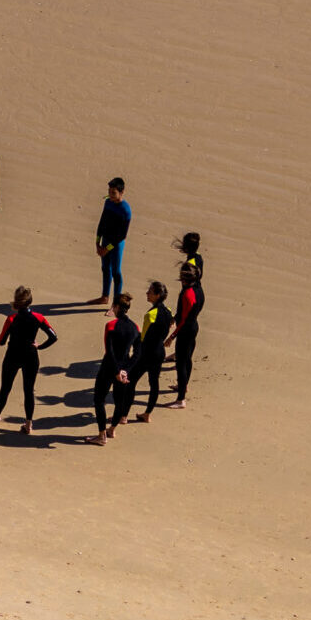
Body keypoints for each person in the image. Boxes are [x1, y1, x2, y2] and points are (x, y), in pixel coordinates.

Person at [0, 285, 58, 432]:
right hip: (30, 356)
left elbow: (1, 341)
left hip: (13, 356)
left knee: (5, 388)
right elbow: (53, 337)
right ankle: (28, 424)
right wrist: (39, 346)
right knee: (29, 391)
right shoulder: (39, 318)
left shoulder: (11, 319)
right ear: (30, 302)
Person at [91, 293, 139, 445]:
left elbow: (109, 351)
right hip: (125, 367)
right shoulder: (135, 328)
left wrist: (117, 371)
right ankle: (112, 429)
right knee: (119, 401)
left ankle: (101, 435)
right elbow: (138, 352)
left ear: (117, 307)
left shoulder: (111, 326)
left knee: (99, 399)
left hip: (109, 367)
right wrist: (126, 369)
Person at [168, 233, 204, 408]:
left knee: (181, 363)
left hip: (186, 329)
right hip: (193, 326)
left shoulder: (187, 294)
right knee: (187, 359)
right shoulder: (199, 291)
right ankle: (184, 387)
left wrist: (171, 336)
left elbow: (183, 319)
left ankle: (181, 398)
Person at [133, 280, 175, 422]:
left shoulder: (150, 315)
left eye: (150, 291)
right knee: (154, 383)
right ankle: (147, 414)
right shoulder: (168, 311)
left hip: (147, 353)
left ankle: (123, 415)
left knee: (131, 381)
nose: (147, 293)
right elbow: (169, 325)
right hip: (159, 352)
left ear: (157, 295)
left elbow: (143, 337)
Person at [88, 177, 130, 304]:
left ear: (121, 193)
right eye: (109, 192)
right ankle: (105, 297)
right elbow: (102, 222)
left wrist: (107, 249)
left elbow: (122, 235)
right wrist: (97, 243)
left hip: (116, 245)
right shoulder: (108, 202)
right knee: (105, 268)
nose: (110, 195)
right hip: (105, 241)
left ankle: (116, 303)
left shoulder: (125, 210)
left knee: (116, 271)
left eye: (113, 193)